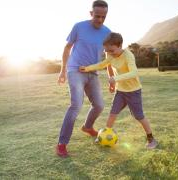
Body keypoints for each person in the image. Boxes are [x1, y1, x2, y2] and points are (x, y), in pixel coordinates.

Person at [79, 32, 158, 149]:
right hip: (120, 91)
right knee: (112, 114)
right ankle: (104, 136)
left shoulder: (128, 55)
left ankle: (151, 138)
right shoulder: (110, 55)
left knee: (139, 116)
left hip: (133, 91)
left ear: (120, 45)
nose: (109, 54)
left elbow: (134, 72)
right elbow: (102, 64)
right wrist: (87, 68)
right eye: (107, 51)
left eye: (112, 50)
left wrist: (115, 79)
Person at [56, 0, 114, 157]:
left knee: (100, 105)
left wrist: (111, 77)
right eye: (97, 16)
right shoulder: (79, 27)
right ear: (91, 14)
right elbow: (67, 48)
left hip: (93, 73)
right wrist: (62, 71)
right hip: (75, 70)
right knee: (76, 105)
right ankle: (62, 143)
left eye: (104, 16)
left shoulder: (107, 33)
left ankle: (87, 127)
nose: (100, 20)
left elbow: (108, 56)